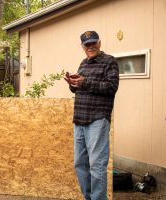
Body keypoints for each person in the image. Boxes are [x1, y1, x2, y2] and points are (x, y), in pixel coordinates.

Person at [64, 31, 119, 200]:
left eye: (93, 43)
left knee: (97, 165)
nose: (91, 47)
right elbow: (80, 88)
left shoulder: (109, 61)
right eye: (87, 44)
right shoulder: (83, 63)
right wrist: (73, 84)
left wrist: (85, 82)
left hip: (98, 119)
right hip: (79, 119)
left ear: (100, 43)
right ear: (82, 47)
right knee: (80, 164)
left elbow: (111, 87)